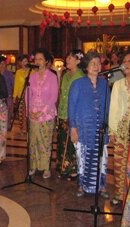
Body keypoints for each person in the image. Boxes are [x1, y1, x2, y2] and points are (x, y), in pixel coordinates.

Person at [69, 51, 110, 198]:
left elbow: (108, 108)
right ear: (86, 66)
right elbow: (71, 107)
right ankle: (82, 185)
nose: (96, 66)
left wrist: (108, 128)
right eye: (92, 63)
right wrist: (73, 128)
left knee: (101, 159)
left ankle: (102, 186)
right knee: (83, 158)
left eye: (98, 63)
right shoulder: (77, 84)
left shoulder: (105, 83)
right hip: (83, 129)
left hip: (100, 128)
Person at [26, 48, 58, 179]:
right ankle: (33, 165)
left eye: (40, 59)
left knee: (45, 141)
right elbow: (28, 94)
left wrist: (42, 112)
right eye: (36, 59)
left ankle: (45, 167)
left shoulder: (52, 76)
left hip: (47, 114)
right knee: (33, 141)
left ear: (46, 61)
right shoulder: (31, 76)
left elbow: (53, 97)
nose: (37, 61)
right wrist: (29, 110)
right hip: (33, 113)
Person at [56, 49, 85, 180]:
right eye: (67, 57)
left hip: (74, 114)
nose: (67, 60)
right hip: (62, 111)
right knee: (63, 141)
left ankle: (73, 169)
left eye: (70, 58)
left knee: (72, 142)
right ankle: (63, 167)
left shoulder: (81, 76)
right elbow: (60, 92)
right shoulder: (66, 75)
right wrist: (58, 74)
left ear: (78, 61)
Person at [109, 51, 130, 206]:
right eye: (125, 61)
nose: (127, 64)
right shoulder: (118, 84)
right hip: (122, 130)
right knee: (119, 163)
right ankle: (118, 194)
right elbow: (114, 109)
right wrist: (112, 130)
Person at [13, 54, 30, 134]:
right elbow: (16, 85)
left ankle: (28, 129)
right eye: (22, 61)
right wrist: (14, 96)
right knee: (20, 113)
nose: (24, 63)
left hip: (29, 95)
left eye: (26, 61)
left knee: (28, 113)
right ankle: (22, 129)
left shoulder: (32, 71)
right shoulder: (18, 72)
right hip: (20, 95)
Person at [0, 56, 15, 130]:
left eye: (3, 64)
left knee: (8, 114)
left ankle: (7, 128)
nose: (2, 65)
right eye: (0, 64)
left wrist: (12, 96)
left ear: (6, 64)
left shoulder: (9, 74)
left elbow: (13, 85)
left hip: (8, 97)